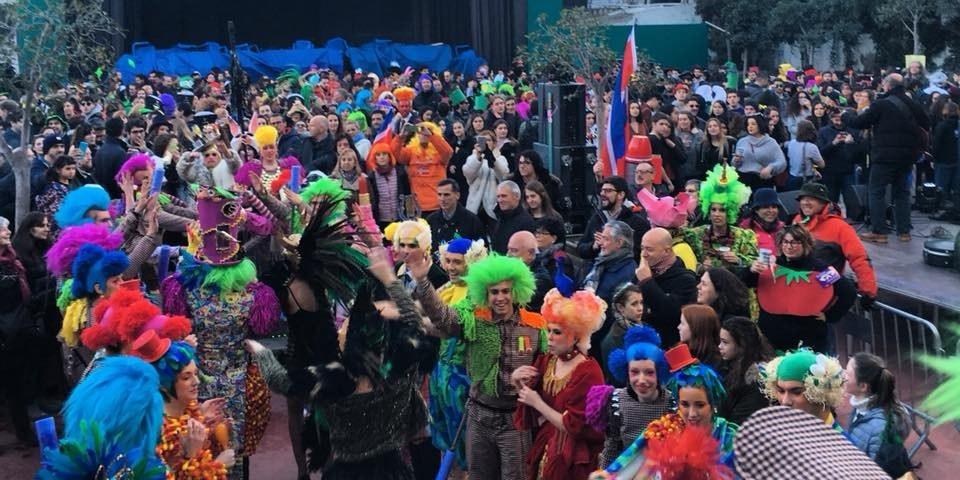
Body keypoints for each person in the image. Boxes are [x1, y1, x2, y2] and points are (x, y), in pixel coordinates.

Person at [160, 186, 279, 477]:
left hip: (196, 382)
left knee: (197, 452)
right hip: (236, 382)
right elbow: (263, 327)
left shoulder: (183, 291)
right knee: (231, 451)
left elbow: (175, 324)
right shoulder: (254, 295)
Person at [409, 252, 547, 480]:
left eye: (506, 291)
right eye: (494, 292)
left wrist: (532, 381)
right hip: (479, 415)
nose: (500, 298)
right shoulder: (474, 319)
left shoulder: (535, 326)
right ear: (485, 293)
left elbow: (547, 369)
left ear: (517, 292)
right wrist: (423, 283)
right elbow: (443, 318)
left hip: (516, 420)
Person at [597, 344, 738, 478]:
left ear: (712, 404)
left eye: (700, 405)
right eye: (685, 404)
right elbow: (631, 468)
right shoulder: (664, 431)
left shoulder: (730, 437)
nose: (692, 413)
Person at [511, 285, 607, 480]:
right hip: (546, 447)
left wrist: (537, 401)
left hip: (573, 459)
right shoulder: (548, 360)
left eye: (557, 332)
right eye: (548, 331)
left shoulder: (588, 371)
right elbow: (532, 413)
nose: (550, 338)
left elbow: (575, 426)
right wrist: (518, 382)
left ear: (575, 336)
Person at [844, 73, 930, 243]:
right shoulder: (912, 103)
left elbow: (859, 123)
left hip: (884, 156)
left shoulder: (881, 104)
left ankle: (879, 231)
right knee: (902, 193)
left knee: (876, 191)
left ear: (887, 85)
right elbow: (926, 123)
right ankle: (904, 231)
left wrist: (847, 115)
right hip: (907, 156)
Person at [744, 224, 856, 352]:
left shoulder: (818, 269)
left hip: (807, 339)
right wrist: (751, 270)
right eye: (785, 242)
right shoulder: (771, 264)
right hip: (771, 338)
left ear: (805, 244)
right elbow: (745, 281)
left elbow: (848, 291)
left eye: (795, 242)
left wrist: (830, 315)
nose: (789, 246)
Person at [428, 238, 487, 478]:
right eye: (448, 261)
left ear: (471, 263)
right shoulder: (446, 289)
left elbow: (445, 326)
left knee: (465, 445)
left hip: (462, 377)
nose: (451, 267)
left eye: (458, 263)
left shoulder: (478, 294)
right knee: (444, 439)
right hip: (440, 373)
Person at [588, 325, 672, 467]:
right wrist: (604, 473)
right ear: (626, 372)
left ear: (659, 372)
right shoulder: (616, 402)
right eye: (634, 372)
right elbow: (611, 447)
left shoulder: (671, 403)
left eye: (649, 372)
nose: (641, 380)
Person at [150, 340, 236, 479]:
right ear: (163, 385)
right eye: (186, 377)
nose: (197, 381)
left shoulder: (188, 410)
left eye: (196, 374)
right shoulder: (157, 431)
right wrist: (218, 465)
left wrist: (203, 421)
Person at [792, 182, 878, 307]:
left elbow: (859, 258)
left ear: (823, 202)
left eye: (811, 199)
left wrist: (869, 291)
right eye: (803, 199)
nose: (805, 202)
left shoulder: (840, 227)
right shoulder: (797, 221)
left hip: (823, 292)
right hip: (797, 285)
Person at [844, 352, 913, 477]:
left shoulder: (880, 429)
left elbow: (877, 474)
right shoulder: (861, 404)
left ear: (863, 386)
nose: (842, 376)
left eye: (847, 374)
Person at [683, 164, 757, 269]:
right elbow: (686, 259)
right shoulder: (696, 234)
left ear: (730, 212)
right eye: (713, 210)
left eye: (722, 210)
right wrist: (701, 268)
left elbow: (755, 262)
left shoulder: (743, 236)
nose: (717, 214)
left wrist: (739, 260)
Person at [634, 227, 699, 347]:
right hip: (641, 342)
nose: (643, 254)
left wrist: (647, 282)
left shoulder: (685, 280)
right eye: (642, 248)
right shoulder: (642, 272)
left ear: (667, 251)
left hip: (668, 347)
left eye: (649, 250)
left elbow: (670, 313)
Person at [761, 348, 846, 431]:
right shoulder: (774, 435)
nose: (785, 401)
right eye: (781, 391)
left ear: (820, 393)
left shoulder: (841, 443)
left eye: (796, 392)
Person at [579, 221, 638, 332]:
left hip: (604, 333)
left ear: (619, 243)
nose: (601, 243)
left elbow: (618, 311)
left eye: (606, 239)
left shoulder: (628, 272)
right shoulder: (599, 263)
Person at [577, 176, 650, 261]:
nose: (602, 194)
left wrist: (612, 245)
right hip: (596, 270)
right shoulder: (597, 218)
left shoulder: (637, 223)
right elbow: (580, 249)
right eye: (602, 190)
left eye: (608, 191)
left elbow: (639, 254)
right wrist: (594, 246)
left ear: (621, 195)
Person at [717, 317, 773, 425]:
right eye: (720, 341)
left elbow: (743, 419)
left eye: (725, 342)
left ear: (742, 345)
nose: (720, 346)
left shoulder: (755, 379)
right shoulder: (728, 366)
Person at [391, 121, 453, 216]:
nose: (423, 134)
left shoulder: (439, 152)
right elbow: (395, 153)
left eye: (427, 131)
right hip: (418, 206)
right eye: (420, 132)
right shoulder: (411, 152)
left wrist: (431, 136)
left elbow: (448, 152)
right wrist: (401, 136)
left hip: (438, 205)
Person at [817, 109, 865, 206]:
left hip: (848, 171)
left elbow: (860, 150)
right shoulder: (823, 131)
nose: (838, 120)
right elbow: (820, 152)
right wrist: (833, 143)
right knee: (831, 201)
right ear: (831, 118)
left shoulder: (853, 130)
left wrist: (851, 143)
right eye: (835, 118)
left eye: (840, 118)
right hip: (830, 171)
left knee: (851, 200)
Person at [598, 284, 646, 380]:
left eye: (641, 302)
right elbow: (617, 379)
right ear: (620, 308)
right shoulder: (612, 341)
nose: (640, 308)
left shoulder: (646, 328)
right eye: (634, 304)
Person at [426, 179, 486, 253]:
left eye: (446, 195)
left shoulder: (472, 221)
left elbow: (482, 250)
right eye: (439, 194)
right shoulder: (431, 220)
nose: (442, 199)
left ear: (457, 195)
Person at [463, 130, 509, 222]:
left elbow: (503, 176)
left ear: (494, 143)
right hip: (475, 207)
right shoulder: (472, 158)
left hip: (494, 207)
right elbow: (468, 174)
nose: (486, 143)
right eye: (483, 140)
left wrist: (492, 159)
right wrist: (478, 157)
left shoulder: (501, 159)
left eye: (488, 140)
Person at [733, 114, 787, 190]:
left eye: (753, 124)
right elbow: (735, 164)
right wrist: (736, 160)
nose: (750, 126)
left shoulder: (770, 142)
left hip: (762, 180)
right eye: (748, 124)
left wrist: (770, 167)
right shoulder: (742, 141)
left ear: (760, 125)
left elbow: (781, 162)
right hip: (743, 179)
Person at [366, 141, 412, 228]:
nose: (381, 157)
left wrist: (410, 215)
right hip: (381, 220)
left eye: (384, 154)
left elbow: (408, 195)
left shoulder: (400, 173)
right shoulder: (371, 177)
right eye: (378, 155)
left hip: (400, 218)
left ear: (390, 156)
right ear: (374, 158)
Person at [507, 231, 552, 312]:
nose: (508, 255)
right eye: (508, 250)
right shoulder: (511, 270)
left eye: (514, 251)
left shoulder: (542, 280)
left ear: (530, 253)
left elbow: (514, 302)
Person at [490, 180, 536, 255]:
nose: (500, 200)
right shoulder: (501, 218)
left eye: (504, 196)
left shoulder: (526, 222)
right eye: (498, 196)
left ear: (517, 196)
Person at [739, 187, 785, 255]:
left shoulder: (782, 228)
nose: (771, 211)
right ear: (756, 210)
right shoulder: (745, 228)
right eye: (766, 207)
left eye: (774, 207)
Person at [784, 120, 825, 191]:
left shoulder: (791, 143)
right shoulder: (811, 147)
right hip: (806, 179)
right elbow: (821, 165)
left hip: (792, 177)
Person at [678, 304, 722, 369]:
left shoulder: (716, 361)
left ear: (696, 327)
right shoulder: (681, 351)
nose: (678, 327)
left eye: (682, 323)